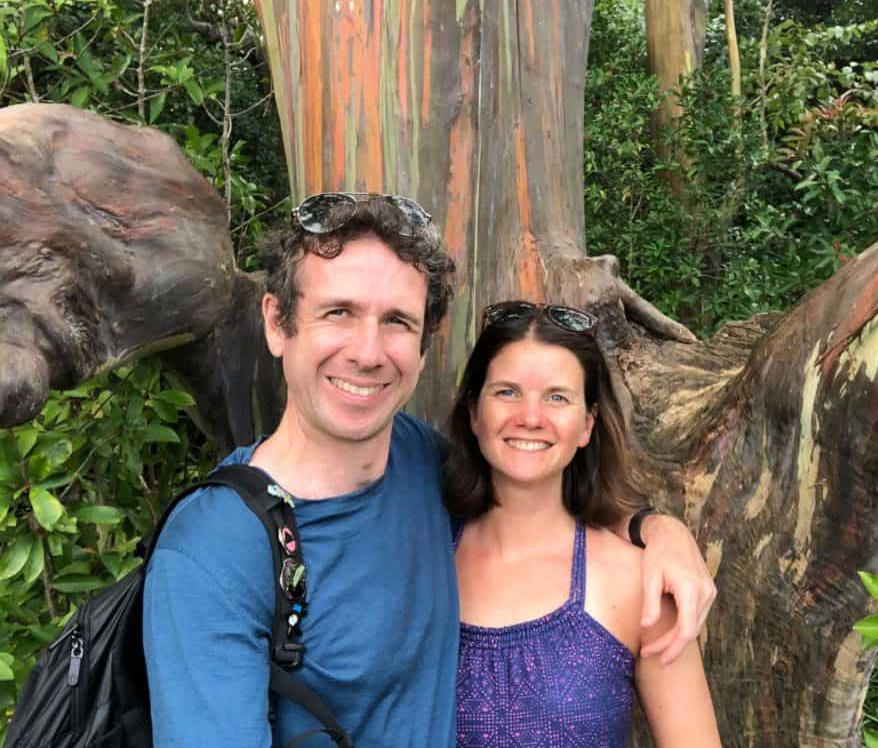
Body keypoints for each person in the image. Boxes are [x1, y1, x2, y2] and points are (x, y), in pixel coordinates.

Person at [143, 192, 718, 747]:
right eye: (338, 312)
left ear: (424, 345)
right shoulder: (213, 551)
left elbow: (532, 486)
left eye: (396, 321)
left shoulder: (421, 465)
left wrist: (659, 531)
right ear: (277, 322)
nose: (367, 352)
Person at [446, 301, 721, 747]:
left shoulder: (640, 584)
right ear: (474, 413)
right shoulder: (424, 550)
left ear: (587, 424)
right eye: (507, 392)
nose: (531, 417)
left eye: (557, 397)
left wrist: (662, 529)